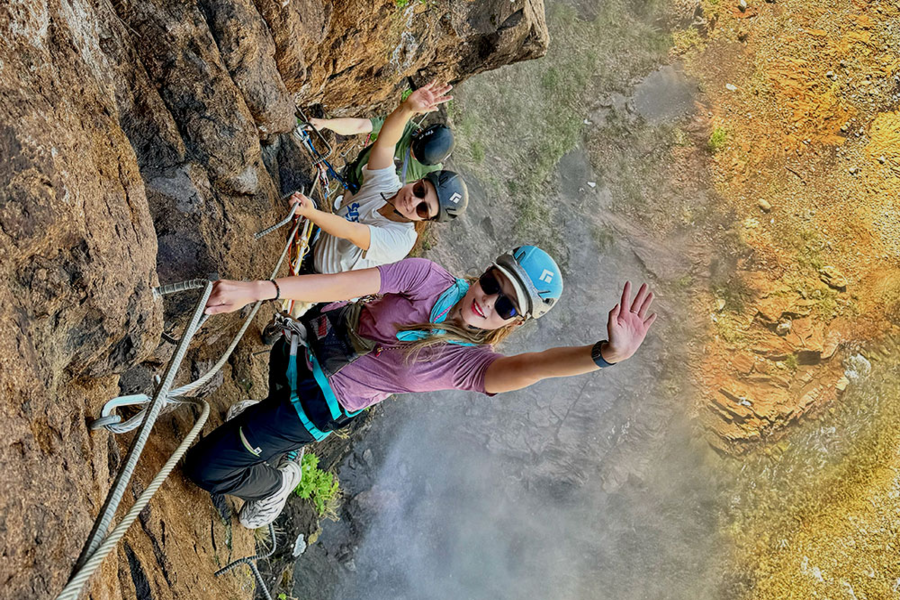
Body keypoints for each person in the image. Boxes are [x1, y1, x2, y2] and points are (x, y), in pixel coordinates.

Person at [184, 246, 657, 529]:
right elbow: (342, 282)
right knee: (268, 399)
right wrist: (259, 290)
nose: (488, 302)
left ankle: (278, 480)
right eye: (493, 283)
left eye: (507, 307)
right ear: (486, 270)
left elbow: (532, 366)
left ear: (517, 321)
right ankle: (273, 444)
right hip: (305, 348)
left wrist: (604, 354)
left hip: (320, 405)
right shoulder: (427, 278)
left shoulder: (469, 364)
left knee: (206, 469)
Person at [308, 108, 454, 193]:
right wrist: (324, 124)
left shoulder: (433, 171)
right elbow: (360, 126)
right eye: (414, 149)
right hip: (354, 174)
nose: (414, 157)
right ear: (420, 132)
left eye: (419, 158)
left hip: (372, 196)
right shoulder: (401, 127)